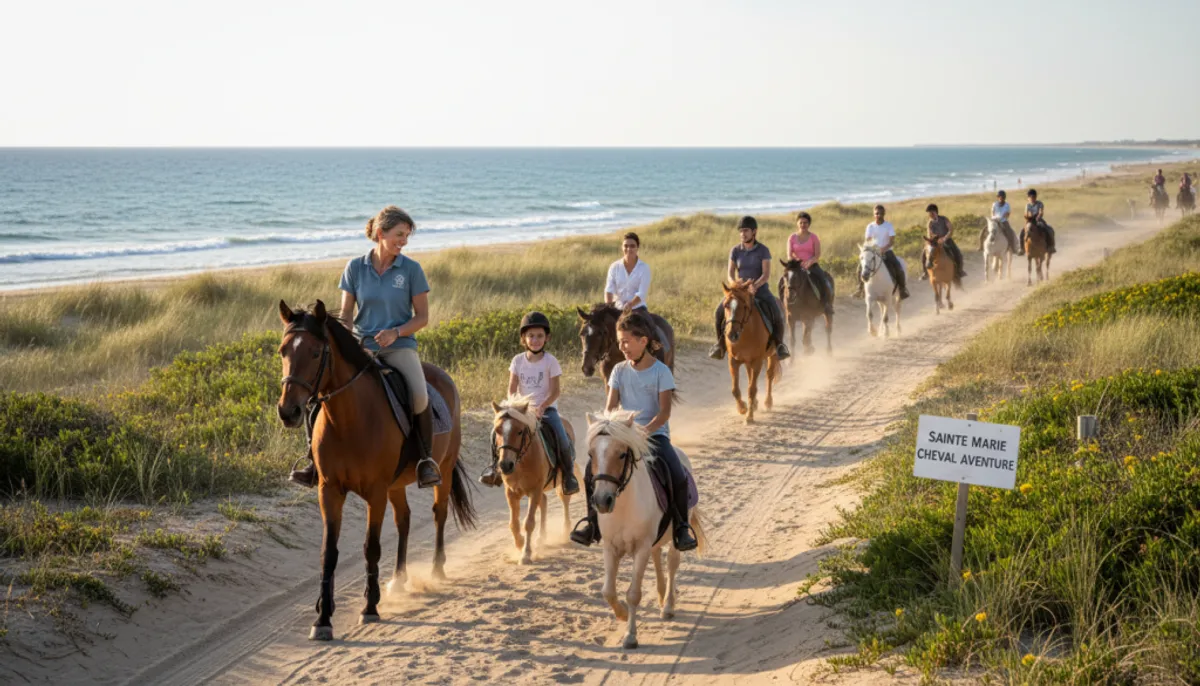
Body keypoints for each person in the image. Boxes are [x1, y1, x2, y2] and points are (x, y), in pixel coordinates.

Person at [290, 205, 441, 489]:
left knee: (420, 395)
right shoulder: (354, 268)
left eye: (407, 236)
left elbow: (422, 317)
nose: (404, 242)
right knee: (318, 395)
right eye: (399, 234)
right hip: (361, 347)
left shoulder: (411, 270)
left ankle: (425, 461)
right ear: (381, 233)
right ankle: (313, 461)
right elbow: (346, 317)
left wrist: (395, 333)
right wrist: (349, 345)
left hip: (399, 347)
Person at [570, 310, 698, 552]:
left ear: (644, 341)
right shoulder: (618, 371)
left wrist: (644, 432)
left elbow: (664, 413)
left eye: (626, 342)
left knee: (676, 472)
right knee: (591, 471)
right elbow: (610, 407)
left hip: (655, 435)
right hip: (621, 435)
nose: (622, 347)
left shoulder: (661, 371)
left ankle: (681, 527)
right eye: (619, 342)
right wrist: (607, 427)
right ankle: (592, 523)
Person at [480, 312, 581, 495]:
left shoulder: (551, 362)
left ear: (547, 338)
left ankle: (568, 476)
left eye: (540, 336)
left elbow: (555, 391)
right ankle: (494, 468)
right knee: (495, 432)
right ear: (524, 338)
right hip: (520, 411)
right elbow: (512, 388)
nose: (535, 340)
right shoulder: (517, 361)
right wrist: (513, 406)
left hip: (546, 410)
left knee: (561, 437)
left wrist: (542, 406)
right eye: (531, 336)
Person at [708, 216, 790, 361]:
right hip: (739, 292)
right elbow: (730, 274)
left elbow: (765, 275)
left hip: (760, 290)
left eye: (746, 230)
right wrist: (734, 284)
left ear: (754, 232)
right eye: (740, 231)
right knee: (718, 312)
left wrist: (755, 286)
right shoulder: (735, 250)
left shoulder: (763, 250)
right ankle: (720, 345)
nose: (743, 234)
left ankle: (779, 345)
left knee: (776, 311)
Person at [853, 205, 910, 299]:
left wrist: (883, 249)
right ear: (874, 214)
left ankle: (902, 289)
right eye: (877, 213)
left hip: (887, 251)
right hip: (874, 253)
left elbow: (892, 241)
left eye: (881, 213)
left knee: (898, 267)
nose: (879, 215)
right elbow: (868, 240)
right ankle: (860, 288)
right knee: (860, 268)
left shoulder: (888, 226)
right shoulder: (870, 226)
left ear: (884, 214)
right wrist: (873, 249)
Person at [783, 211, 834, 315]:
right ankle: (785, 304)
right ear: (797, 223)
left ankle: (826, 304)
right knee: (783, 282)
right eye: (801, 222)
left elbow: (817, 255)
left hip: (812, 265)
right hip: (796, 266)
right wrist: (797, 262)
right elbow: (789, 254)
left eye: (805, 222)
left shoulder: (813, 237)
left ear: (809, 224)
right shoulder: (792, 238)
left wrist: (809, 262)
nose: (803, 225)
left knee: (823, 280)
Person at [605, 232, 651, 312]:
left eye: (632, 246)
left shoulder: (644, 268)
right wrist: (608, 307)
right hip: (617, 309)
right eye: (626, 246)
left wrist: (630, 305)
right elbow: (609, 290)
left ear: (637, 248)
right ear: (622, 247)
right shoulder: (614, 267)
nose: (629, 249)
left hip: (638, 309)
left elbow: (642, 293)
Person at [920, 204, 967, 281]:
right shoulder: (930, 223)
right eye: (929, 213)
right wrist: (932, 240)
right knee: (923, 255)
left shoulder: (944, 219)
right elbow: (929, 233)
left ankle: (959, 271)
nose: (930, 214)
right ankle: (925, 272)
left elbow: (950, 229)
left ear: (936, 212)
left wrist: (944, 238)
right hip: (935, 242)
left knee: (958, 254)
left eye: (931, 212)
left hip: (947, 240)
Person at [980, 190, 1021, 255]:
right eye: (1000, 197)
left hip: (1003, 221)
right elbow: (992, 212)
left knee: (1010, 232)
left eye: (1003, 197)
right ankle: (981, 246)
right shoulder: (994, 204)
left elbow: (1007, 215)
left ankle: (1013, 248)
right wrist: (994, 217)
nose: (1001, 198)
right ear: (998, 197)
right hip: (994, 221)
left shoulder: (1007, 205)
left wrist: (1002, 217)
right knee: (983, 231)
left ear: (1004, 198)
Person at [1021, 189, 1057, 254]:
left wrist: (1038, 216)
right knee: (1022, 232)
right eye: (1030, 197)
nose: (1032, 199)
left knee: (1047, 229)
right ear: (1028, 198)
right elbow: (1026, 213)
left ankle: (1050, 246)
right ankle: (1022, 248)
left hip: (1038, 219)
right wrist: (1028, 216)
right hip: (1030, 220)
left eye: (1033, 197)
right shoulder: (1027, 205)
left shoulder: (1040, 203)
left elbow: (1041, 211)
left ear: (1035, 197)